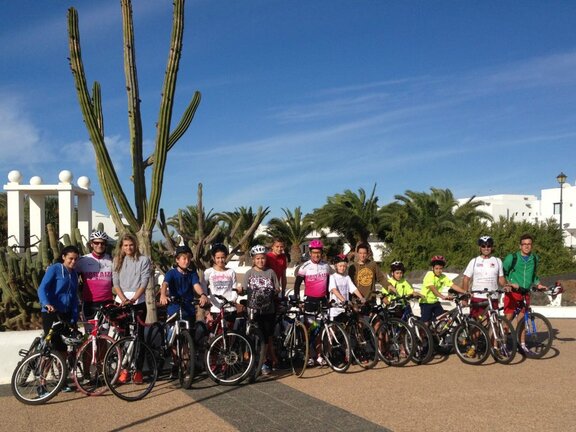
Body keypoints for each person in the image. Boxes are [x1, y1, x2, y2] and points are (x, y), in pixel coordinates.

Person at [159, 245, 208, 378]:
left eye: (188, 259)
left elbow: (196, 286)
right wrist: (163, 295)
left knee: (187, 340)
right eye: (183, 258)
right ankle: (175, 363)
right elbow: (165, 285)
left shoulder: (192, 273)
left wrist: (202, 294)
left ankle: (186, 366)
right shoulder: (171, 273)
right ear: (177, 260)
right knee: (174, 340)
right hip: (174, 309)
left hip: (188, 310)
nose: (186, 261)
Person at [38, 245, 81, 393]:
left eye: (76, 259)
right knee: (51, 347)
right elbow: (42, 288)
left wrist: (75, 317)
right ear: (64, 257)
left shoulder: (75, 274)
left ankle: (61, 381)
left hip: (65, 314)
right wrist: (46, 303)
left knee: (63, 349)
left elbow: (74, 297)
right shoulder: (55, 269)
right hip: (51, 312)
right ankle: (41, 383)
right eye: (70, 258)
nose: (73, 262)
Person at [112, 233, 151, 384]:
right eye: (125, 245)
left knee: (138, 338)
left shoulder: (143, 260)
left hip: (138, 302)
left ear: (135, 245)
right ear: (122, 247)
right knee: (123, 337)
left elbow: (144, 281)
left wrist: (134, 299)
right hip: (121, 303)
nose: (128, 248)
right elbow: (115, 282)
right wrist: (123, 300)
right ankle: (124, 369)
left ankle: (138, 371)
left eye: (131, 245)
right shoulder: (116, 261)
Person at [502, 234, 548, 355]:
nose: (527, 246)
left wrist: (538, 284)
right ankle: (502, 343)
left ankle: (522, 345)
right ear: (520, 245)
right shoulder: (512, 258)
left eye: (529, 244)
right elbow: (502, 272)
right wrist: (508, 284)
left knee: (522, 320)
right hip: (513, 293)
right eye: (524, 244)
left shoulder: (534, 258)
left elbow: (534, 275)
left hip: (525, 293)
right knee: (508, 318)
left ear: (531, 245)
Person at [238, 245, 281, 375]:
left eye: (262, 258)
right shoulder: (249, 273)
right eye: (257, 259)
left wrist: (274, 291)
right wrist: (240, 290)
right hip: (253, 310)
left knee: (266, 337)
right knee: (252, 335)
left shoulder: (271, 272)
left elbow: (277, 288)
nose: (260, 261)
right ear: (253, 259)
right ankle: (250, 360)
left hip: (269, 310)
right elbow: (244, 289)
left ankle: (263, 362)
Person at [293, 239, 332, 366]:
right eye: (314, 253)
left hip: (323, 301)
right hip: (310, 301)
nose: (316, 255)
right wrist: (297, 299)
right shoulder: (304, 266)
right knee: (310, 329)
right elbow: (297, 285)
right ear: (310, 253)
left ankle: (319, 355)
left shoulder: (326, 266)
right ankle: (308, 354)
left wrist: (328, 298)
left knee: (320, 329)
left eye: (318, 253)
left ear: (322, 253)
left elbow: (329, 284)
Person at [461, 236, 506, 319]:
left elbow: (501, 278)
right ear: (480, 248)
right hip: (477, 297)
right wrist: (465, 296)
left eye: (488, 246)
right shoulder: (474, 261)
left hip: (493, 297)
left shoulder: (497, 261)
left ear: (492, 247)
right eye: (483, 246)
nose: (486, 248)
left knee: (494, 324)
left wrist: (506, 286)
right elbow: (466, 279)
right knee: (476, 326)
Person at [76, 230, 114, 320]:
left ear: (106, 245)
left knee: (104, 333)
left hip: (107, 303)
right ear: (91, 244)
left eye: (102, 243)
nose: (99, 245)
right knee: (90, 333)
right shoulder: (83, 260)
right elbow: (71, 277)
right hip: (89, 303)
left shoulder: (112, 260)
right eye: (96, 242)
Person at [419, 255, 466, 323]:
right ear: (432, 268)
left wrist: (465, 292)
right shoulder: (429, 275)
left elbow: (453, 285)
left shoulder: (443, 277)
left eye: (440, 268)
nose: (439, 271)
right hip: (425, 302)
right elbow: (432, 288)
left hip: (435, 302)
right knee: (426, 323)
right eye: (436, 268)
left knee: (443, 318)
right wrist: (442, 296)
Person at [203, 243, 239, 320]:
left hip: (230, 309)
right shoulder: (208, 272)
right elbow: (204, 289)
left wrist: (232, 301)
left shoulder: (231, 272)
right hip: (215, 309)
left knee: (230, 331)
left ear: (226, 257)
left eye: (222, 257)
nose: (220, 260)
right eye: (218, 258)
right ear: (213, 258)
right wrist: (207, 309)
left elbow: (234, 288)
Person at [329, 254, 365, 320]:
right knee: (335, 328)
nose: (342, 268)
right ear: (336, 266)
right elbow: (334, 290)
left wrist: (361, 298)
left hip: (345, 308)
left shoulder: (347, 277)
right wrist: (344, 300)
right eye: (340, 266)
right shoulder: (333, 277)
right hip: (336, 308)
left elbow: (353, 288)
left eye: (344, 266)